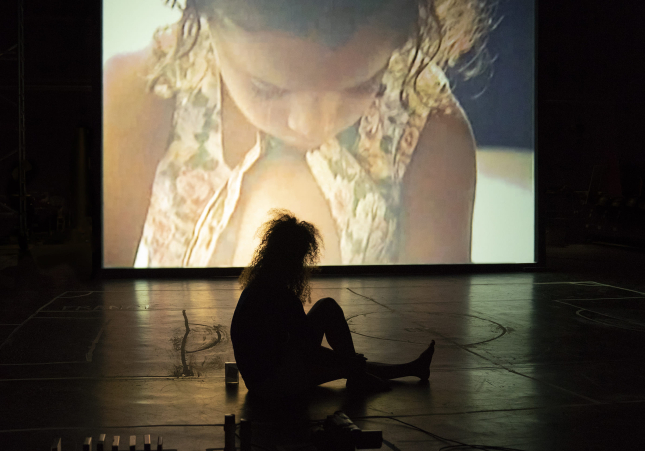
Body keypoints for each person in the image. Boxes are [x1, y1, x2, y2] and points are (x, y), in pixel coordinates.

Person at [103, 0, 491, 267]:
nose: (312, 125)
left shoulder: (432, 133)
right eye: (267, 89)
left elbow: (433, 339)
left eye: (361, 84)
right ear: (203, 13)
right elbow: (97, 311)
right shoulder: (146, 93)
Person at [230, 210, 435, 398]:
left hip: (265, 377)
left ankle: (405, 369)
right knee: (335, 327)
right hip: (273, 384)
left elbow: (298, 346)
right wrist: (348, 362)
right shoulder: (279, 295)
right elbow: (305, 351)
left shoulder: (261, 286)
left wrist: (348, 361)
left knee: (331, 319)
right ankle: (363, 374)